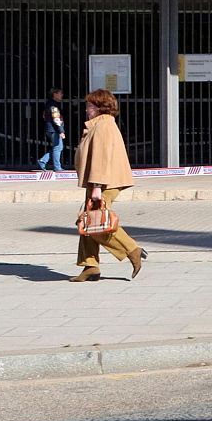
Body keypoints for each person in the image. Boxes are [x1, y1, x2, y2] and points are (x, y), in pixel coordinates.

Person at [71, 89, 144, 282]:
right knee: (88, 220)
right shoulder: (100, 124)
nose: (86, 109)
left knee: (96, 222)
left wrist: (97, 186)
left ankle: (132, 250)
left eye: (90, 106)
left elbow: (101, 158)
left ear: (99, 107)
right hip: (98, 181)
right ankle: (90, 265)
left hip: (103, 182)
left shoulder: (103, 125)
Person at [37, 88, 67, 172]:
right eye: (60, 93)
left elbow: (44, 116)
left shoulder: (49, 104)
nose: (62, 95)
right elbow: (56, 118)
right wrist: (61, 131)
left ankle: (43, 161)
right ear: (55, 94)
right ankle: (57, 167)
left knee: (57, 147)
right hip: (54, 129)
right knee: (58, 147)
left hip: (50, 129)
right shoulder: (53, 105)